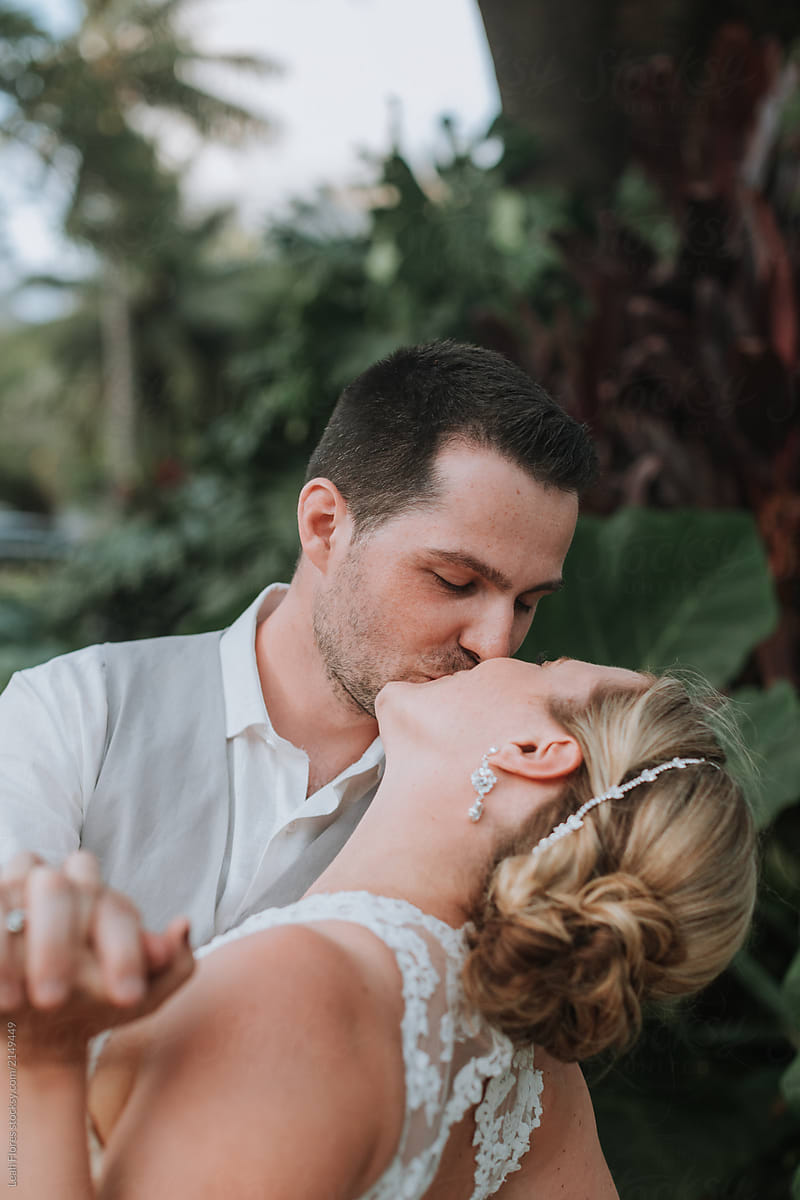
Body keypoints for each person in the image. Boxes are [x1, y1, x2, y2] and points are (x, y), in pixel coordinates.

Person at [1, 657, 757, 1199]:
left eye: (544, 662)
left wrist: (44, 1054)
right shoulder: (531, 1086)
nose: (498, 648)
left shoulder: (298, 991)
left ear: (533, 752)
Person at [0, 339, 594, 1007]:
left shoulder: (504, 808)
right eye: (455, 581)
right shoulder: (75, 712)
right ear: (324, 526)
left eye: (527, 604)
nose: (495, 645)